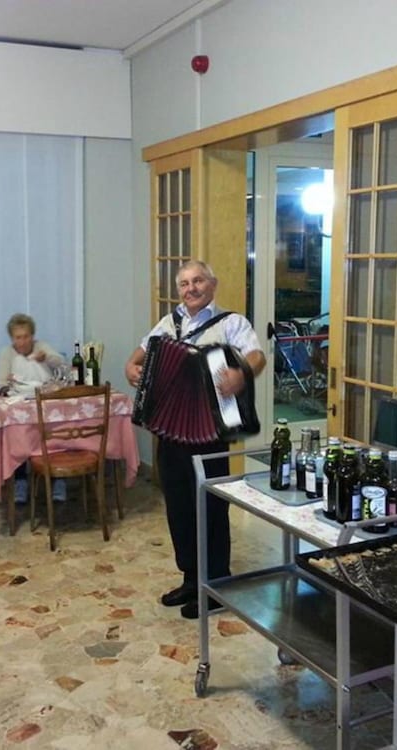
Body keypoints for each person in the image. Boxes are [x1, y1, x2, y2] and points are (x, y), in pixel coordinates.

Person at [124, 260, 266, 619]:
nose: (191, 288)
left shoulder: (231, 323)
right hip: (171, 431)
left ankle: (216, 586)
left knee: (212, 507)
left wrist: (241, 374)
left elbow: (257, 356)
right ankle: (191, 579)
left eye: (198, 280)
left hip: (210, 431)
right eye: (185, 283)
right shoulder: (167, 324)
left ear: (212, 284)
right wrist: (131, 368)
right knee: (179, 508)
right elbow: (138, 355)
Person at [0, 313, 67, 503]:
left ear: (32, 336)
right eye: (18, 337)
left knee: (56, 433)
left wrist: (46, 358)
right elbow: (1, 383)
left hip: (45, 403)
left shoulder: (41, 347)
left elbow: (60, 362)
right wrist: (8, 382)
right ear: (12, 338)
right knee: (17, 436)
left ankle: (58, 479)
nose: (22, 341)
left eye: (26, 336)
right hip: (20, 404)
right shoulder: (7, 353)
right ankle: (20, 480)